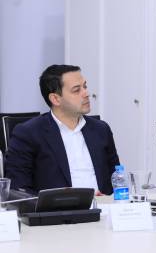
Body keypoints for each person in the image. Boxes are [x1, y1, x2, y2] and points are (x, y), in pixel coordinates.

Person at [5, 64, 120, 194]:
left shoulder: (101, 129)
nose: (86, 94)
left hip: (103, 205)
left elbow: (117, 178)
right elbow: (18, 190)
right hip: (56, 207)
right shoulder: (28, 134)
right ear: (55, 99)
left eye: (85, 87)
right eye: (76, 90)